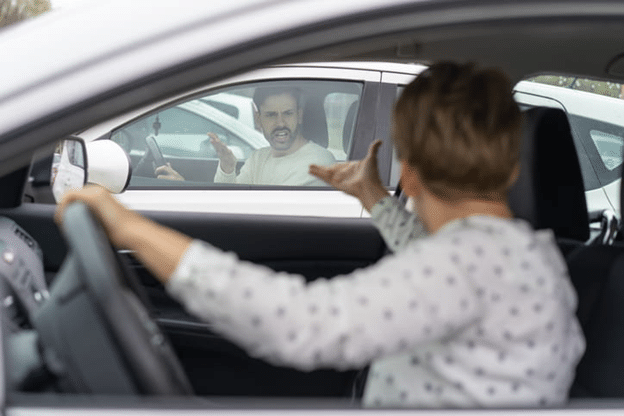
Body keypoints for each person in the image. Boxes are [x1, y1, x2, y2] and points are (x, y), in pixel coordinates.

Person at [56, 62, 584, 408]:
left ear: (413, 172)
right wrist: (374, 197)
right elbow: (432, 262)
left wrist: (129, 226)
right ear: (511, 171)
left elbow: (300, 324)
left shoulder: (469, 264)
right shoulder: (516, 256)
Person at [156, 86, 336, 185]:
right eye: (271, 115)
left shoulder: (319, 163)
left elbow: (251, 213)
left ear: (300, 116)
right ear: (258, 119)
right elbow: (231, 202)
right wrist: (227, 167)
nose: (280, 123)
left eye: (288, 113)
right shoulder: (259, 157)